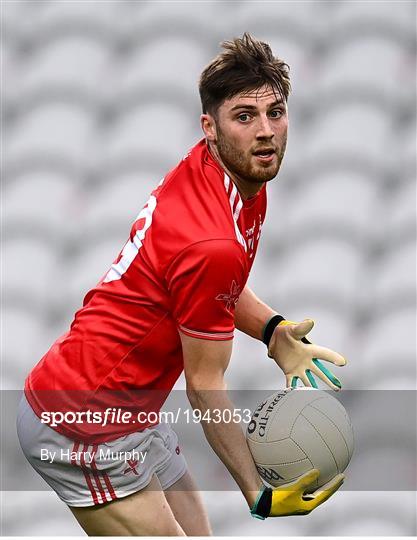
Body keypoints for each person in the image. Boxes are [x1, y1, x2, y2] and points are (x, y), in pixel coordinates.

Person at [17, 33, 346, 536]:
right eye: (245, 116)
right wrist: (258, 493)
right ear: (209, 127)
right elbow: (204, 385)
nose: (265, 132)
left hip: (129, 407)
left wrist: (273, 330)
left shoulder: (230, 178)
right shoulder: (213, 238)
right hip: (81, 423)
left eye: (275, 113)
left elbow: (212, 288)